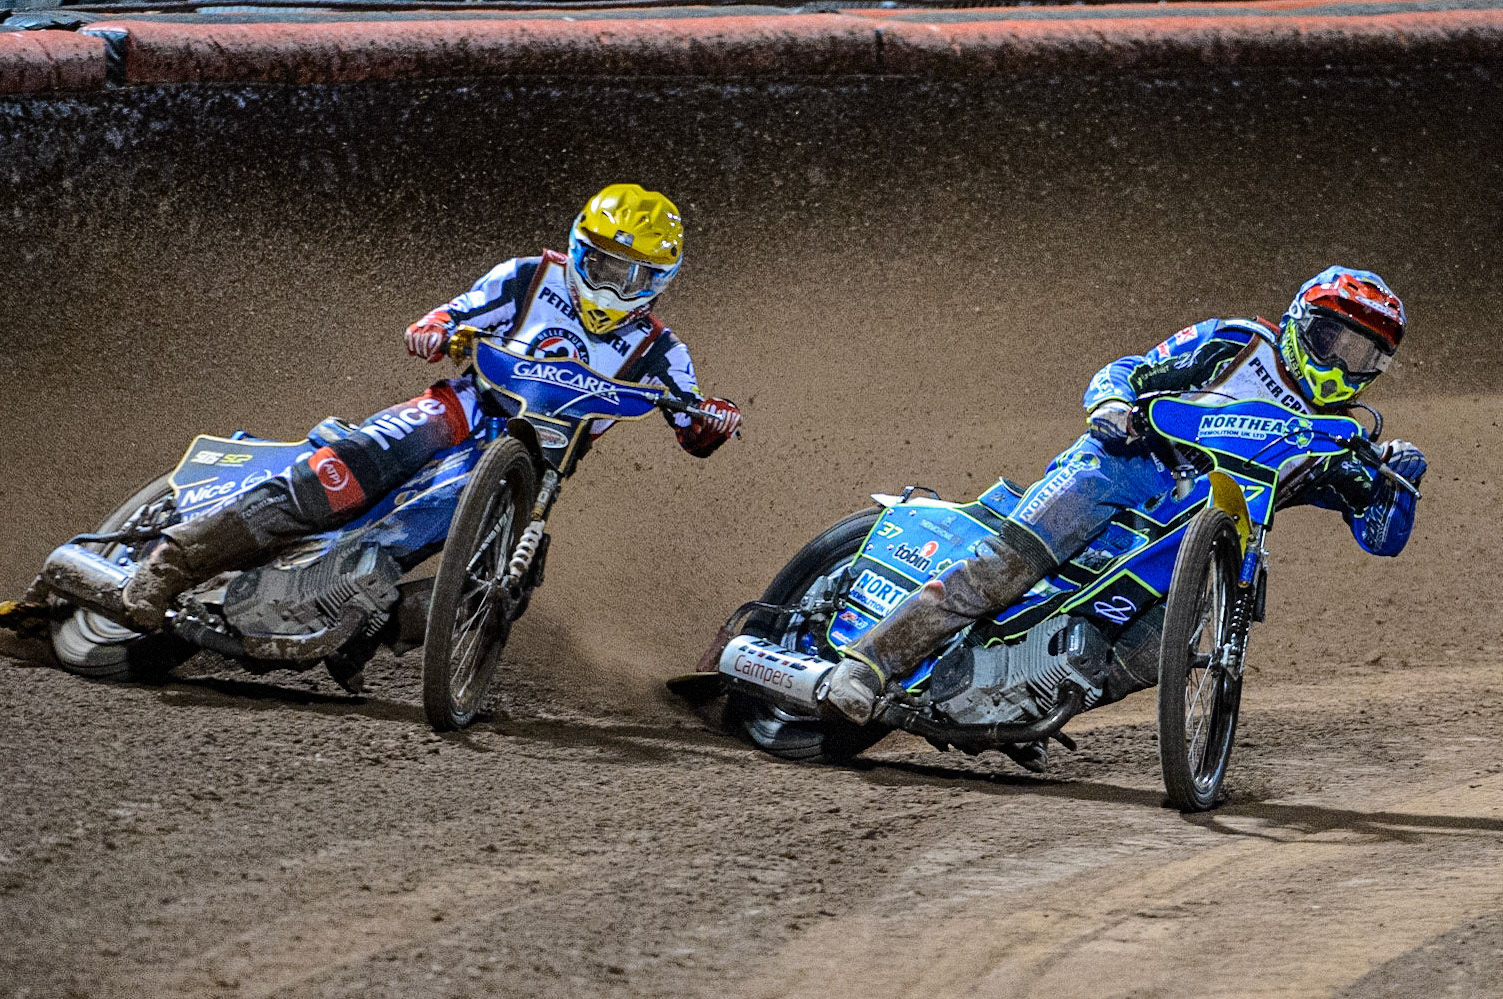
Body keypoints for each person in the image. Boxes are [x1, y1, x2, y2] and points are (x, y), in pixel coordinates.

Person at [821, 266, 1427, 725]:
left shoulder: (1343, 439)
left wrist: (1402, 481)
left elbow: (1381, 537)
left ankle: (1020, 705)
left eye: (1363, 353)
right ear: (1300, 322)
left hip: (1198, 542)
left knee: (1161, 651)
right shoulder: (1236, 343)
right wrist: (1111, 407)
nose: (1343, 361)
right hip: (1123, 467)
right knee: (1000, 569)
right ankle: (868, 664)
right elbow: (1129, 370)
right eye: (1332, 339)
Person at [118, 183, 741, 629]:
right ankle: (173, 560)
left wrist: (715, 418)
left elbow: (693, 424)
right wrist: (435, 329)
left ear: (659, 283)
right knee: (354, 464)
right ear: (580, 250)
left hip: (535, 464)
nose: (613, 286)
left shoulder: (662, 350)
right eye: (604, 265)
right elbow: (457, 312)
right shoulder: (529, 278)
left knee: (511, 576)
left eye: (634, 277)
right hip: (462, 408)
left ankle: (359, 629)